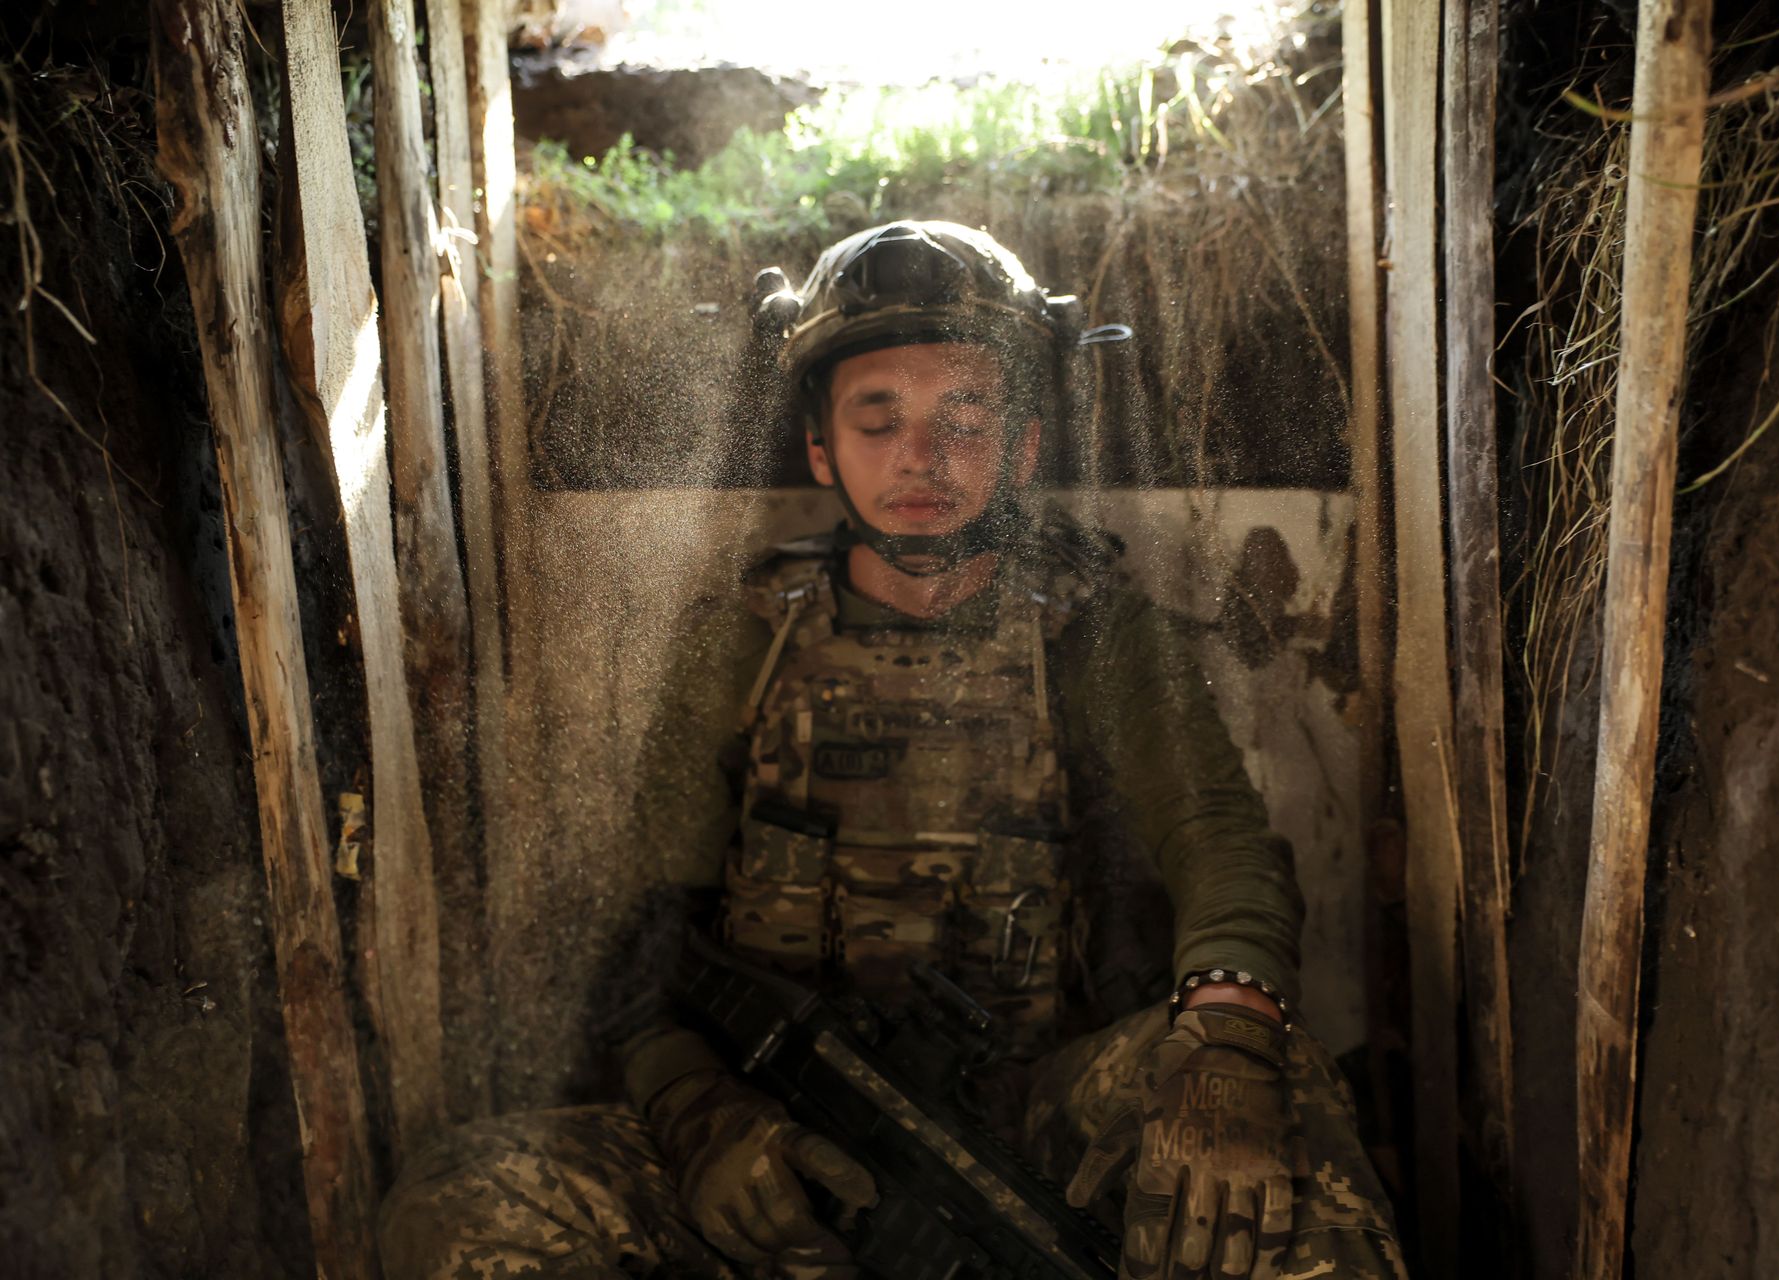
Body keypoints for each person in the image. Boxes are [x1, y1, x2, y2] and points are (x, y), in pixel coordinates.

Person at [380, 221, 1405, 1280]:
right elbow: (649, 935)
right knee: (463, 1198)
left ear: (1023, 448)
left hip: (1028, 1116)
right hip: (782, 1130)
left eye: (964, 417)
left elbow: (1220, 844)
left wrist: (1230, 1038)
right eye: (880, 419)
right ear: (822, 445)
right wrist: (702, 1119)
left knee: (1288, 1102)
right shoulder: (744, 636)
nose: (922, 456)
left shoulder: (1096, 630)